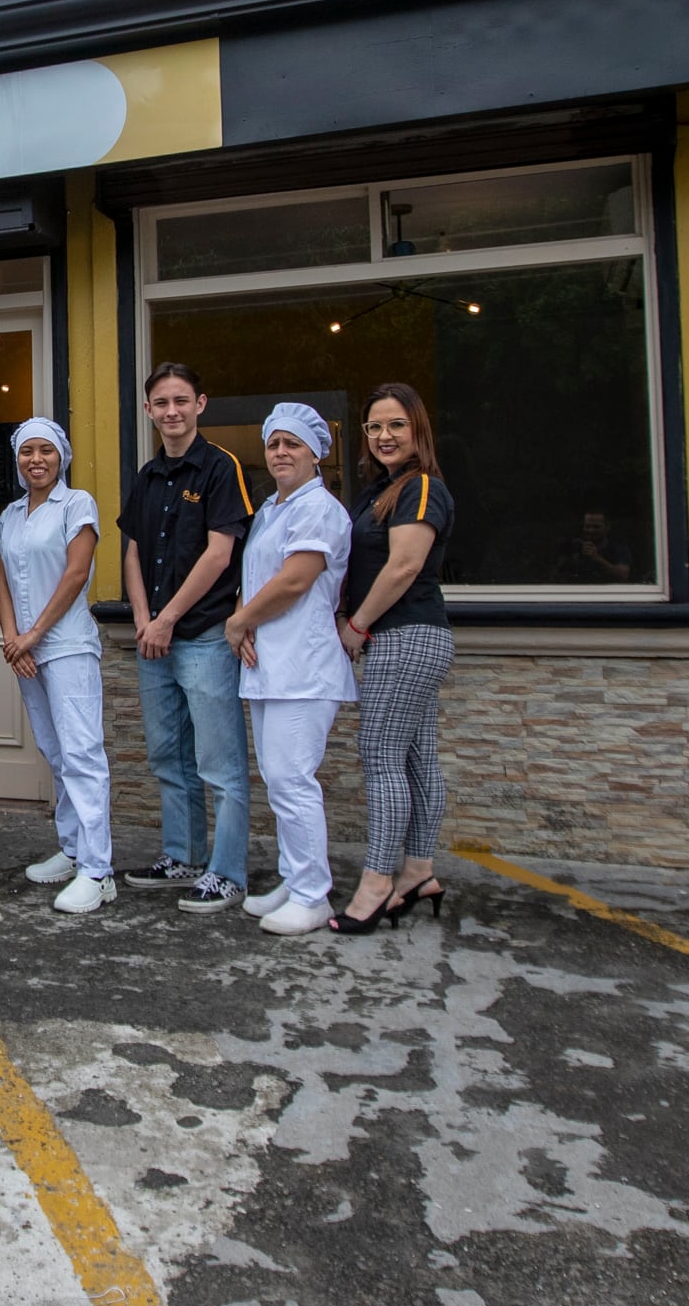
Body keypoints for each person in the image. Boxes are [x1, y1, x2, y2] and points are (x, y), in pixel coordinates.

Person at [117, 362, 254, 914]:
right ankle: (183, 856)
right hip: (155, 638)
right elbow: (131, 551)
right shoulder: (147, 475)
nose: (171, 411)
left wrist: (168, 618)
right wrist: (145, 618)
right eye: (161, 403)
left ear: (200, 404)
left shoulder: (222, 469)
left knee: (220, 765)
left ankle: (227, 872)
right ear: (148, 411)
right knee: (168, 758)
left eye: (181, 400)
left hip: (202, 638)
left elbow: (220, 554)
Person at [224, 403, 355, 935]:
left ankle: (312, 894)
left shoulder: (318, 508)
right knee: (279, 782)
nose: (280, 452)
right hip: (270, 665)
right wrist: (247, 620)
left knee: (292, 781)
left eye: (292, 444)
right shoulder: (273, 509)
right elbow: (258, 579)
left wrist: (238, 623)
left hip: (303, 666)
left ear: (315, 452)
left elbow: (296, 580)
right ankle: (293, 877)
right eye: (274, 443)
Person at [336, 383, 459, 933]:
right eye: (374, 427)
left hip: (404, 635)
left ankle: (379, 882)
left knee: (381, 755)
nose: (384, 436)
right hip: (408, 636)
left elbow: (404, 566)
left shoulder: (422, 488)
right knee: (415, 758)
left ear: (418, 431)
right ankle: (419, 870)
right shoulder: (382, 490)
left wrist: (358, 623)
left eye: (396, 426)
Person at [0, 418, 118, 915]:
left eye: (46, 450)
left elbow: (76, 574)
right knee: (56, 751)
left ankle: (99, 871)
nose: (36, 460)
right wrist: (12, 640)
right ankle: (72, 850)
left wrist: (32, 636)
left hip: (65, 646)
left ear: (61, 456)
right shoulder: (10, 514)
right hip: (26, 650)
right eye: (27, 452)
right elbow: (1, 580)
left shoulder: (78, 504)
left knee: (83, 754)